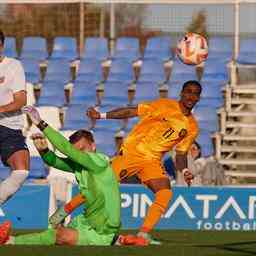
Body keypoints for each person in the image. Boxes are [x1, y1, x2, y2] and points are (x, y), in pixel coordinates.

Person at [50, 80, 201, 244]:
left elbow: (180, 153)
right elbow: (132, 111)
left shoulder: (192, 127)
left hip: (152, 161)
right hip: (132, 153)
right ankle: (63, 212)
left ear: (199, 97)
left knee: (165, 192)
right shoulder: (165, 105)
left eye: (195, 93)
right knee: (99, 189)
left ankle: (143, 233)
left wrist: (184, 171)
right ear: (181, 93)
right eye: (188, 91)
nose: (191, 96)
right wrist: (101, 115)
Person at [0, 105, 123, 246]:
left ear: (93, 146)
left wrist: (41, 123)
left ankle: (115, 241)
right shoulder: (81, 166)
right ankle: (10, 241)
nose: (79, 155)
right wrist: (44, 150)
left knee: (60, 236)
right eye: (77, 151)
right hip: (86, 221)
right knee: (53, 233)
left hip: (102, 231)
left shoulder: (99, 161)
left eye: (82, 149)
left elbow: (66, 149)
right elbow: (53, 161)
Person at [0, 29, 29, 205]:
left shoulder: (13, 66)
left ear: (1, 45)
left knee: (21, 171)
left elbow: (20, 101)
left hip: (9, 126)